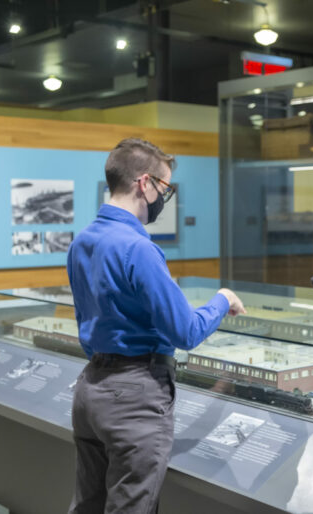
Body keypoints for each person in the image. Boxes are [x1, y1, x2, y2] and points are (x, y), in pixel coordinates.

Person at [66, 138, 246, 514]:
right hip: (134, 397)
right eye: (165, 188)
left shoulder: (83, 240)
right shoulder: (139, 248)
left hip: (90, 389)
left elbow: (86, 320)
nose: (166, 197)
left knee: (88, 505)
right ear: (143, 183)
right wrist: (223, 299)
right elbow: (185, 332)